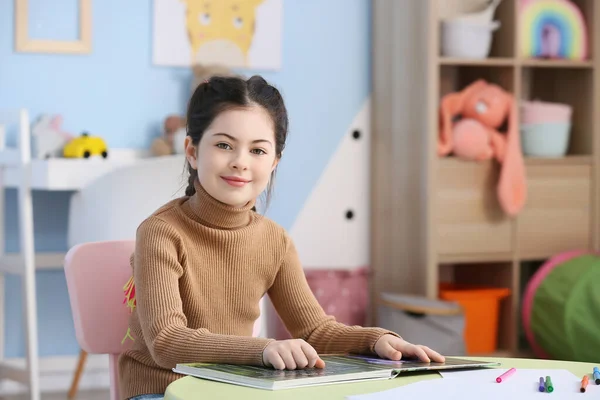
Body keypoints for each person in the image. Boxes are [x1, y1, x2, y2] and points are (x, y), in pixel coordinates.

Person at [118, 75, 445, 400]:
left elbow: (315, 330)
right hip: (162, 389)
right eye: (223, 145)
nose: (240, 162)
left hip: (236, 390)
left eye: (258, 150)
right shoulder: (161, 232)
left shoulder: (274, 241)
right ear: (192, 151)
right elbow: (167, 342)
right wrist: (265, 350)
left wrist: (376, 341)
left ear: (275, 161)